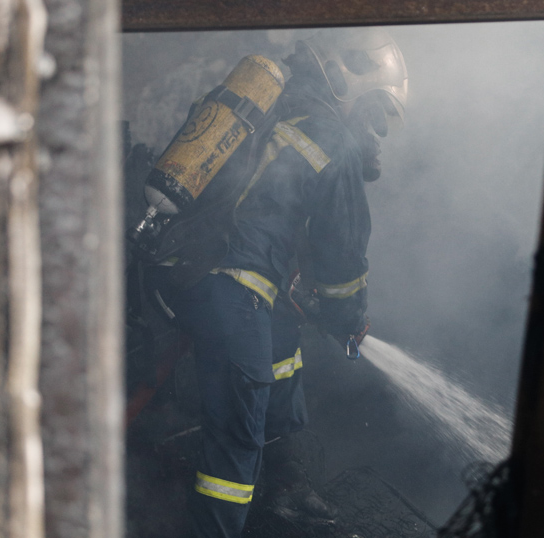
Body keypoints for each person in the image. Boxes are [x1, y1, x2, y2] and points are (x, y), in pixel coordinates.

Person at [153, 28, 408, 538]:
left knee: (283, 348)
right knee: (235, 440)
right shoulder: (332, 141)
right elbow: (342, 258)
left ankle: (287, 483)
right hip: (231, 290)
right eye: (375, 113)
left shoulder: (269, 102)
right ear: (350, 87)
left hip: (178, 268)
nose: (375, 132)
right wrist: (347, 320)